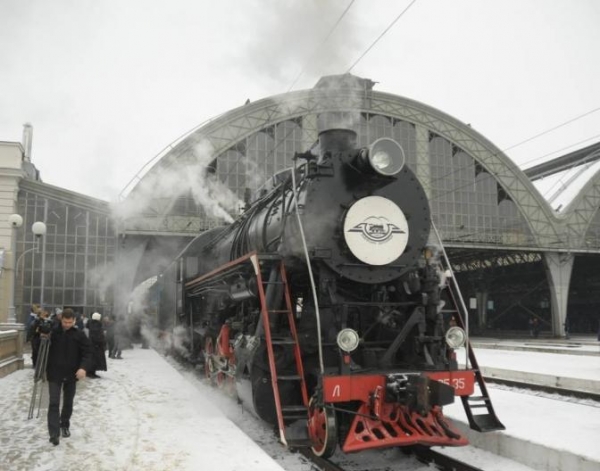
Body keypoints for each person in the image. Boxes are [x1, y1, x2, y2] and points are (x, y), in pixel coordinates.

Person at [44, 308, 92, 446]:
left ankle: (64, 424)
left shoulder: (79, 334)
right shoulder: (53, 331)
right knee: (54, 402)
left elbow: (88, 353)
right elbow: (38, 344)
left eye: (70, 322)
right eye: (65, 322)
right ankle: (54, 433)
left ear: (74, 321)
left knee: (68, 402)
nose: (67, 325)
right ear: (61, 319)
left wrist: (83, 368)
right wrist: (41, 334)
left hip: (72, 374)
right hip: (54, 373)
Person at [87, 312, 107, 377]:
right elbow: (98, 336)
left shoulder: (91, 324)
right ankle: (91, 373)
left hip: (92, 345)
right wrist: (102, 342)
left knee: (92, 359)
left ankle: (91, 372)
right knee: (95, 360)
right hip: (96, 346)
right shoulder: (96, 325)